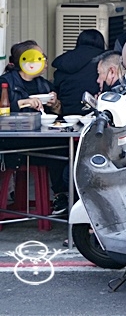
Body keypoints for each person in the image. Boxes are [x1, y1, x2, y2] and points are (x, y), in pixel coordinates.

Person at [1, 41, 69, 214]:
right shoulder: (5, 82)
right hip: (11, 142)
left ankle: (62, 196)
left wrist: (55, 105)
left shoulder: (44, 84)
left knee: (64, 147)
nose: (45, 62)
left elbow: (57, 114)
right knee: (57, 149)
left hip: (38, 139)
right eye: (40, 58)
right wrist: (23, 103)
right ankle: (61, 195)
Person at [52, 28, 107, 114]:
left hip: (65, 114)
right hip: (95, 114)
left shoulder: (65, 60)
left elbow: (56, 89)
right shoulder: (105, 60)